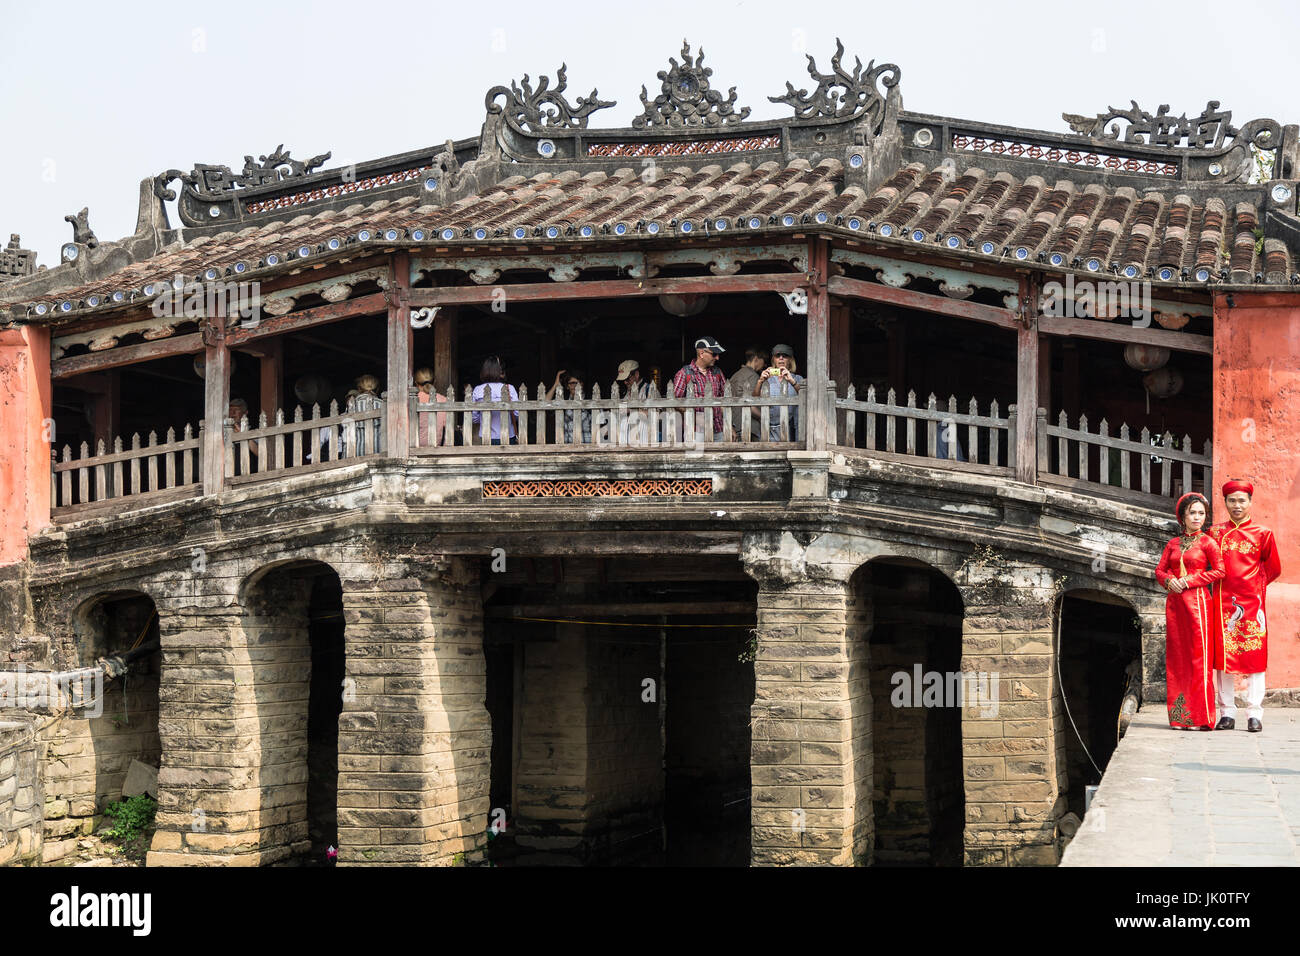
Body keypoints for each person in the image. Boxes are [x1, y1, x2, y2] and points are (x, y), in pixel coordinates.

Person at [1208, 479, 1282, 732]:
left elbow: (1273, 569)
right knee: (1223, 660)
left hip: (1252, 605)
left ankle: (1255, 714)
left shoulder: (1263, 534)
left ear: (1250, 502)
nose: (1237, 505)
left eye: (1242, 500)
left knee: (1255, 659)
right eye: (1232, 501)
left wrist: (1255, 591)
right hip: (1222, 604)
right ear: (1225, 503)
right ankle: (1226, 713)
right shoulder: (1215, 533)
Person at [1155, 492, 1225, 731]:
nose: (1197, 517)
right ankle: (1180, 717)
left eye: (1201, 514)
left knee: (1199, 658)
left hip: (1198, 605)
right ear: (1182, 517)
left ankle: (1201, 717)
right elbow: (1160, 571)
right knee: (1177, 659)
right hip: (1175, 606)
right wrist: (1169, 581)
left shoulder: (1208, 542)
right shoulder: (1172, 544)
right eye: (1192, 513)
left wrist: (1190, 580)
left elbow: (1219, 571)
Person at [672, 337, 729, 442]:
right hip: (695, 430)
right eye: (714, 354)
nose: (717, 358)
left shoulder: (717, 372)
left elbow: (724, 401)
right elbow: (675, 402)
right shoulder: (684, 373)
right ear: (702, 354)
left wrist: (729, 427)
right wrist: (694, 416)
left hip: (718, 428)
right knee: (697, 458)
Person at [753, 343, 804, 440]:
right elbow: (754, 400)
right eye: (777, 356)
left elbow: (807, 397)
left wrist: (791, 381)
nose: (781, 358)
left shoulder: (797, 378)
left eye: (785, 356)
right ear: (774, 360)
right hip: (770, 429)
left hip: (791, 428)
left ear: (790, 360)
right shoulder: (768, 379)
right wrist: (760, 381)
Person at [472, 356, 519, 445]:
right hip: (508, 435)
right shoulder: (509, 388)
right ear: (499, 371)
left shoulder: (478, 390)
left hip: (486, 436)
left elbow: (474, 418)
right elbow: (517, 413)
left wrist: (483, 418)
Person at [728, 346, 767, 441]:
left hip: (735, 425)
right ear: (756, 359)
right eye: (764, 360)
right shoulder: (753, 376)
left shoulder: (735, 375)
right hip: (749, 426)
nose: (765, 365)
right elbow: (751, 406)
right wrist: (766, 418)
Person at [547, 368, 592, 444]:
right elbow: (544, 404)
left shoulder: (590, 401)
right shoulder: (563, 402)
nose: (576, 386)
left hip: (587, 448)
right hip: (568, 448)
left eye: (579, 382)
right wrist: (555, 385)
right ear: (567, 386)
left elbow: (602, 426)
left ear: (582, 384)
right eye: (573, 383)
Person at [347, 374, 385, 455]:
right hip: (378, 451)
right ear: (377, 389)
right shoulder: (382, 404)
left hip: (357, 452)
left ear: (359, 389)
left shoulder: (352, 406)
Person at [615, 359, 650, 445]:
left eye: (627, 379)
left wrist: (632, 411)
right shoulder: (625, 393)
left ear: (636, 375)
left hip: (644, 438)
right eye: (623, 380)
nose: (625, 382)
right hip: (626, 439)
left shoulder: (648, 390)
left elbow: (658, 415)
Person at [413, 366, 448, 447]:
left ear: (416, 383)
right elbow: (446, 426)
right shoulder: (443, 399)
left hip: (413, 448)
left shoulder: (409, 400)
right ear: (434, 382)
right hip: (436, 447)